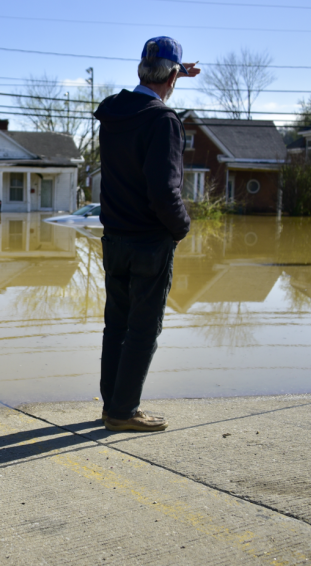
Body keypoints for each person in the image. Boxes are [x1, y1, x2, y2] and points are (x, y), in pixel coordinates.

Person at [93, 36, 200, 432]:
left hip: (114, 239)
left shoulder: (116, 114)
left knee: (116, 324)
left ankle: (112, 405)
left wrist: (176, 72)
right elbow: (163, 190)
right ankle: (123, 413)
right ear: (172, 76)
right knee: (143, 327)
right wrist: (181, 228)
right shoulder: (162, 121)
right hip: (149, 242)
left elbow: (154, 86)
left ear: (141, 69)